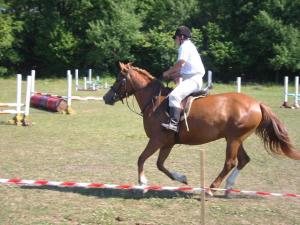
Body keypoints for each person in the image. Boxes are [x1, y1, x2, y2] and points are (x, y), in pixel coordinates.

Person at [161, 25, 205, 132]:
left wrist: (168, 72)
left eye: (175, 38)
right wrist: (174, 76)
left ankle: (174, 124)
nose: (175, 40)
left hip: (193, 80)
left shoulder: (184, 46)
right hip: (192, 78)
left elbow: (180, 63)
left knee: (174, 96)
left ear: (181, 37)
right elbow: (185, 70)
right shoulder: (189, 46)